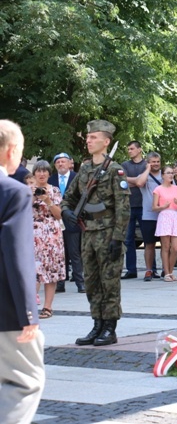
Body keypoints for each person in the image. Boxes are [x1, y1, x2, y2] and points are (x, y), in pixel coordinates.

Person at [61, 119, 130, 347]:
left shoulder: (114, 170)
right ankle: (97, 324)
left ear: (106, 141)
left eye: (94, 138)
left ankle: (110, 328)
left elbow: (123, 207)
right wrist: (66, 213)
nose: (89, 141)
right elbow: (68, 199)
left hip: (109, 233)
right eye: (88, 138)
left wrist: (118, 239)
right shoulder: (84, 170)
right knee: (91, 281)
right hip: (87, 233)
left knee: (109, 281)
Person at [0, 119, 45, 424]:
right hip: (4, 310)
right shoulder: (13, 192)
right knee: (24, 382)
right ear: (12, 150)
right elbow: (17, 256)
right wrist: (29, 313)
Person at [30, 160, 66, 319]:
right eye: (38, 171)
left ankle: (47, 307)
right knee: (32, 271)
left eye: (45, 171)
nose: (42, 174)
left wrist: (47, 200)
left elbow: (59, 215)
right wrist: (32, 196)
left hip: (52, 234)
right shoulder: (26, 190)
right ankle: (29, 307)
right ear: (34, 173)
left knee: (51, 271)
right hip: (32, 232)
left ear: (49, 174)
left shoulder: (55, 191)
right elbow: (20, 211)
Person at [49, 152, 85, 294]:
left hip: (72, 219)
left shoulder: (77, 178)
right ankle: (60, 283)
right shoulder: (51, 179)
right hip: (56, 220)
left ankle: (80, 283)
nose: (61, 164)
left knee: (74, 252)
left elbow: (83, 197)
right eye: (58, 162)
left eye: (63, 161)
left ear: (70, 163)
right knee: (59, 253)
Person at [121, 141, 148, 279]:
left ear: (139, 149)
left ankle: (151, 269)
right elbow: (123, 183)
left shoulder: (146, 165)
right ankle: (131, 270)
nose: (129, 151)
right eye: (128, 149)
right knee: (128, 239)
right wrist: (137, 181)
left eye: (132, 148)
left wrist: (136, 182)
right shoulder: (125, 165)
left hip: (145, 206)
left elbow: (145, 183)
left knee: (148, 239)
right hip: (129, 206)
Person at [153, 165, 177, 282]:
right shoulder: (158, 189)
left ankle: (171, 271)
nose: (171, 175)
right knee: (165, 247)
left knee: (175, 248)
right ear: (163, 175)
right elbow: (154, 207)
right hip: (164, 216)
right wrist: (163, 207)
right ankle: (166, 272)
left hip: (175, 216)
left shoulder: (176, 189)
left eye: (172, 173)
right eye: (168, 173)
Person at [135, 151, 163, 282]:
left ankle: (166, 270)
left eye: (157, 162)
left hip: (165, 215)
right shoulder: (144, 176)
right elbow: (139, 183)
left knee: (166, 244)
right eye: (153, 162)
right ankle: (148, 270)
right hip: (148, 214)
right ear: (148, 162)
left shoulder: (166, 175)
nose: (156, 164)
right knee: (149, 244)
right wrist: (147, 169)